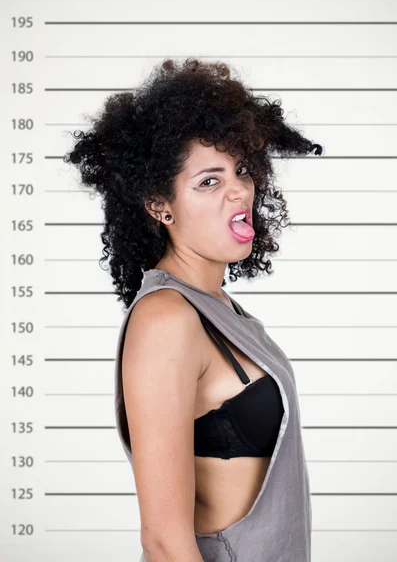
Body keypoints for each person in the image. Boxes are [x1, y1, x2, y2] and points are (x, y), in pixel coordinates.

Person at [64, 58, 323, 562]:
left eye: (241, 171)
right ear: (161, 205)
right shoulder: (167, 319)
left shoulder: (220, 308)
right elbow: (163, 541)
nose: (238, 191)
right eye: (209, 181)